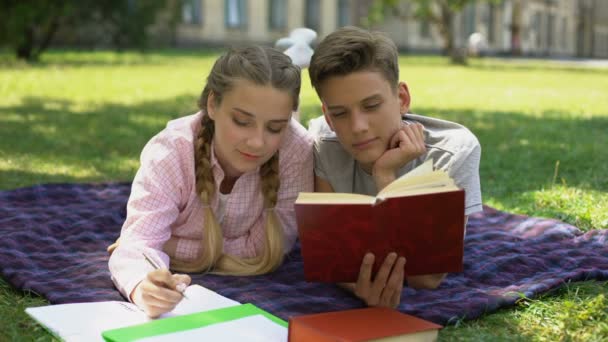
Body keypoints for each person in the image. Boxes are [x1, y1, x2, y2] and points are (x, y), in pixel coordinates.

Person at [108, 46, 313, 317]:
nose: (258, 142)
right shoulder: (171, 153)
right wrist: (143, 285)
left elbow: (266, 249)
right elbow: (138, 247)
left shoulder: (297, 151)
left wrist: (170, 245)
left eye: (276, 127)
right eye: (242, 121)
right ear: (213, 104)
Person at [307, 26, 482, 308]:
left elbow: (425, 277)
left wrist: (386, 176)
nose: (358, 127)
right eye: (340, 113)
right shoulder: (323, 145)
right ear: (327, 116)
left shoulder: (453, 152)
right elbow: (330, 257)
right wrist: (356, 285)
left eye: (372, 106)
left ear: (401, 99)